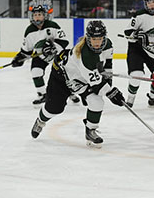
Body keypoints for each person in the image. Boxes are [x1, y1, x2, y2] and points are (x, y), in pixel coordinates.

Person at [30, 20, 125, 148]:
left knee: (97, 102)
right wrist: (111, 92)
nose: (97, 42)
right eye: (93, 39)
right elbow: (97, 84)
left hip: (82, 79)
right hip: (61, 76)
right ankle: (41, 121)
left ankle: (90, 131)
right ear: (88, 37)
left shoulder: (108, 45)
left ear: (104, 37)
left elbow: (107, 66)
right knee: (54, 108)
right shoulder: (85, 55)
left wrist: (109, 83)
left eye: (100, 38)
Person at [11, 5, 79, 105]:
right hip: (40, 56)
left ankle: (70, 92)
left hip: (56, 55)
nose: (37, 17)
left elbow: (64, 40)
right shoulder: (29, 31)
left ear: (45, 16)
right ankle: (42, 94)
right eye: (35, 15)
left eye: (40, 14)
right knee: (36, 71)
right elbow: (27, 50)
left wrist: (53, 47)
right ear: (32, 17)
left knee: (63, 74)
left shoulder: (52, 25)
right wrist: (19, 58)